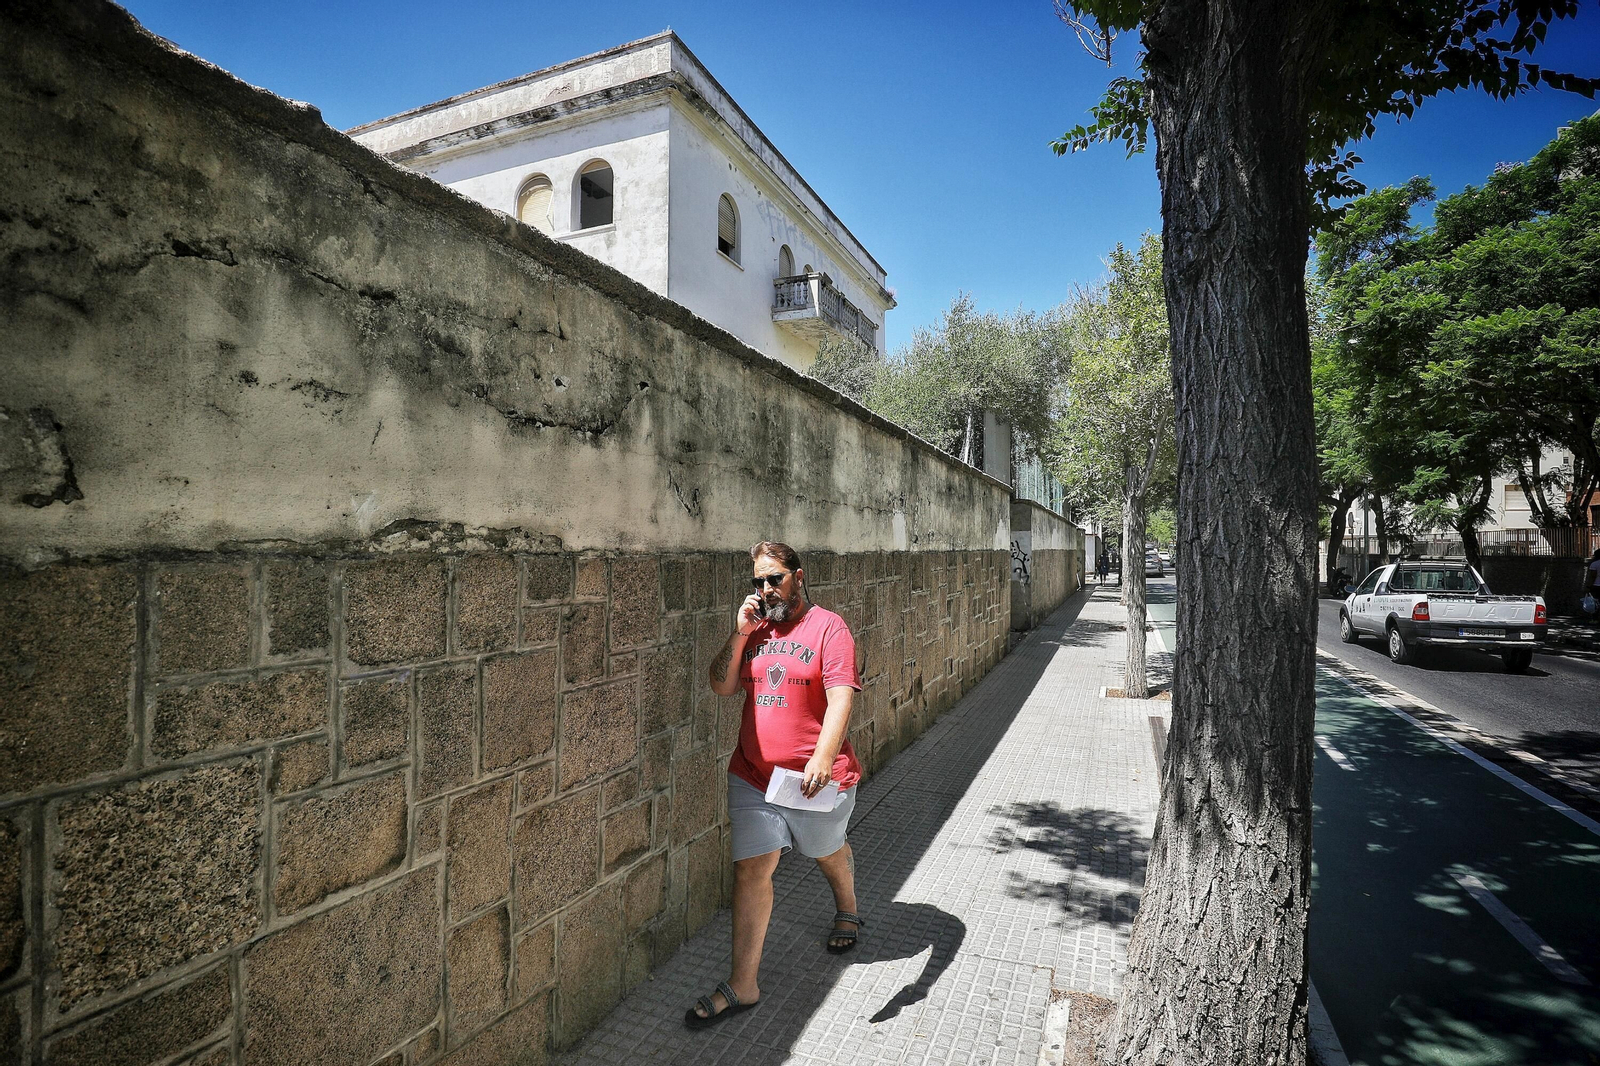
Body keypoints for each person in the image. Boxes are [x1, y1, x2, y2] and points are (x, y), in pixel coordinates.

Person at [685, 541, 865, 1028]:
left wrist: (824, 757)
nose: (766, 590)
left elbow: (841, 697)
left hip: (813, 781)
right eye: (758, 582)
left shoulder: (829, 628)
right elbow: (720, 685)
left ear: (798, 577)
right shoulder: (756, 629)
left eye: (775, 579)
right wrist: (740, 633)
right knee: (752, 869)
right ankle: (744, 984)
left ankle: (846, 904)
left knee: (825, 851)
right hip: (753, 776)